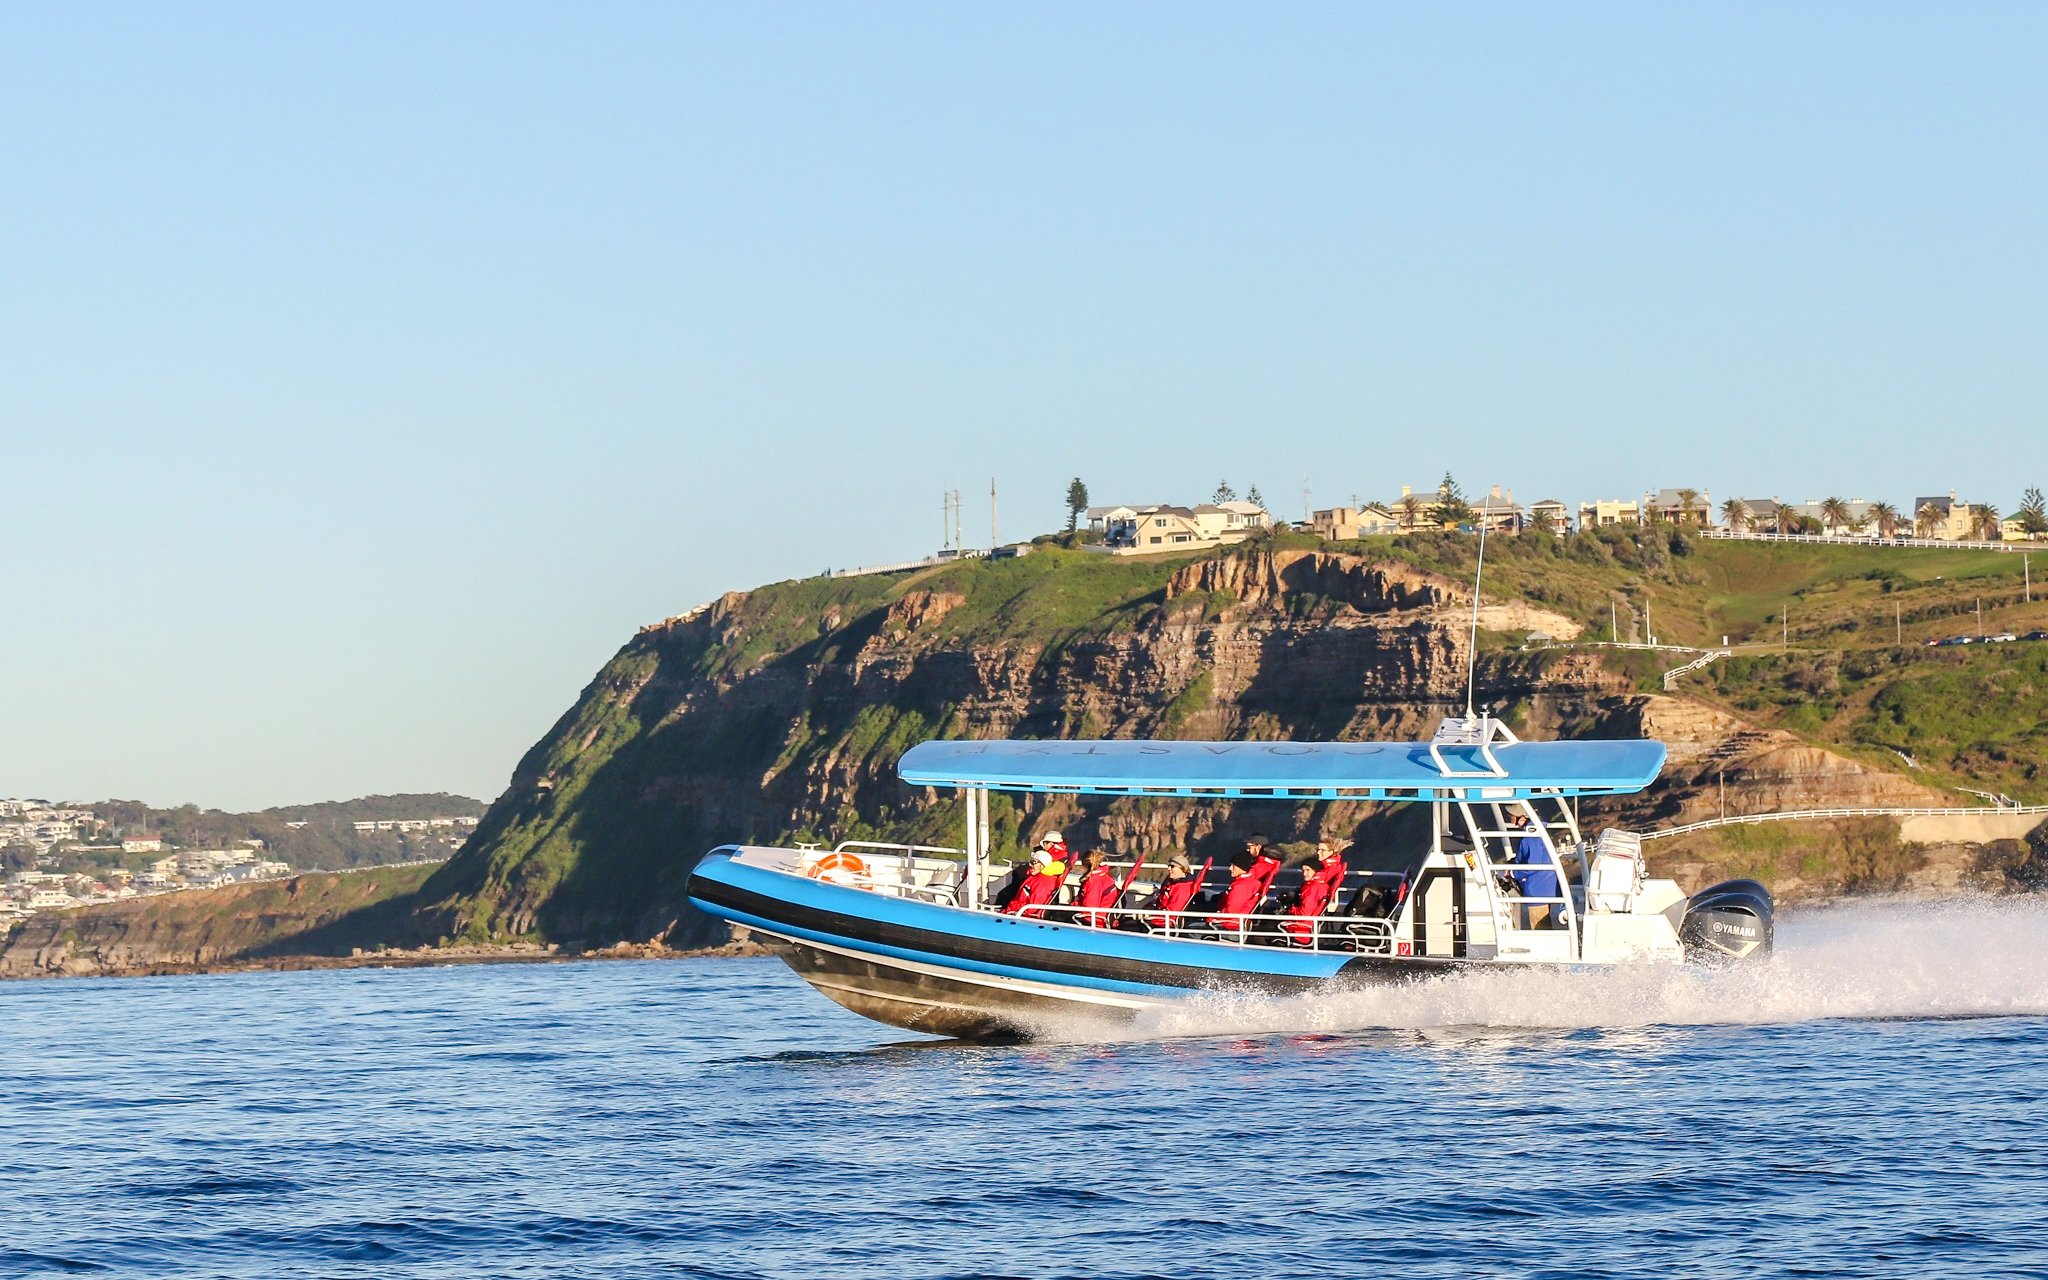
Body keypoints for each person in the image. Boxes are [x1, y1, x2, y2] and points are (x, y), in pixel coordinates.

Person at [1510, 813, 1561, 928]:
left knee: (1539, 926)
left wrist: (1513, 873)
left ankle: (1544, 946)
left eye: (1510, 815)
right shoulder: (1539, 830)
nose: (1509, 818)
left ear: (1521, 817)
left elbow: (1533, 864)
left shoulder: (1531, 836)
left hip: (1537, 889)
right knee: (1544, 922)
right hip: (1546, 886)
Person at [1138, 854, 1206, 933]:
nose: (1169, 868)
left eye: (1172, 866)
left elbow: (1173, 911)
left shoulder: (1183, 887)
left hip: (1166, 921)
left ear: (1182, 868)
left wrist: (1151, 915)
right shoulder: (1173, 882)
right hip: (1160, 914)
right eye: (1169, 866)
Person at [1206, 856, 1266, 939]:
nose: (1230, 868)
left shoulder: (1242, 886)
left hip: (1231, 927)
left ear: (1241, 868)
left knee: (1191, 930)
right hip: (1236, 925)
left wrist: (1211, 918)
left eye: (1233, 866)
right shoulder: (1252, 883)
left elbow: (1231, 911)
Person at [1280, 861, 1335, 946]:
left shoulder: (1313, 888)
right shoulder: (1319, 885)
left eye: (1308, 870)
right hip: (1304, 927)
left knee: (1262, 933)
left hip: (1300, 930)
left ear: (1316, 871)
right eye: (1303, 870)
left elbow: (1304, 914)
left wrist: (1290, 908)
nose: (1304, 874)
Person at [1074, 849, 1121, 928]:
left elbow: (1090, 908)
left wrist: (1075, 905)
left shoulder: (1094, 880)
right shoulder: (1103, 875)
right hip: (1106, 916)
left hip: (1096, 921)